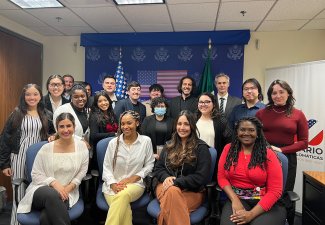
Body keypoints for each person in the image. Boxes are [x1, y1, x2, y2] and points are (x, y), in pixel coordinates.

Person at [17, 112, 89, 225]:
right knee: (52, 194)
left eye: (69, 126)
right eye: (61, 126)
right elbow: (35, 175)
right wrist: (54, 183)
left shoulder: (82, 147)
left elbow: (82, 172)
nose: (65, 130)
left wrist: (68, 188)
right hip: (41, 190)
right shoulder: (46, 148)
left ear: (74, 127)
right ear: (57, 128)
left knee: (46, 217)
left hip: (67, 192)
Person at [218, 117, 286, 225]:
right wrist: (235, 200)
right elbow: (221, 177)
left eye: (251, 130)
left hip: (265, 201)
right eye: (242, 129)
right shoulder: (228, 149)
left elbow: (275, 190)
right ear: (237, 132)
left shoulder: (268, 154)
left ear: (258, 133)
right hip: (238, 199)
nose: (246, 133)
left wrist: (251, 215)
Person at [0, 84, 50, 225]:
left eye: (35, 94)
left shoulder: (45, 113)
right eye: (28, 94)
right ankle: (16, 222)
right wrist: (4, 164)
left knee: (35, 192)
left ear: (40, 96)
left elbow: (51, 134)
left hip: (38, 157)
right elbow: (4, 139)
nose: (32, 97)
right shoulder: (16, 113)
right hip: (19, 157)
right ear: (23, 96)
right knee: (19, 193)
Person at [153, 110, 211, 225]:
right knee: (172, 192)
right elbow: (158, 169)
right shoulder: (169, 145)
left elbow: (201, 177)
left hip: (191, 191)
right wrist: (166, 178)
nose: (182, 127)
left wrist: (176, 182)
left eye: (186, 124)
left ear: (192, 126)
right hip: (165, 185)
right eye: (179, 124)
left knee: (171, 201)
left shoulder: (201, 148)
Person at [102, 110, 155, 225]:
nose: (125, 127)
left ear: (137, 123)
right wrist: (113, 184)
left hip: (135, 185)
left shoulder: (146, 141)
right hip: (112, 185)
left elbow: (150, 164)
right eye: (123, 124)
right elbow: (106, 167)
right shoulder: (113, 143)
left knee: (122, 195)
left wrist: (134, 177)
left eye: (129, 123)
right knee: (123, 209)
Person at [256, 80, 308, 192]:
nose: (278, 96)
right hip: (263, 154)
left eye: (281, 92)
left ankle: (284, 210)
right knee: (261, 190)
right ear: (270, 96)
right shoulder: (261, 113)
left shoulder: (298, 114)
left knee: (284, 191)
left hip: (287, 157)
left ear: (288, 93)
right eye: (274, 93)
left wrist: (281, 150)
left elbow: (304, 142)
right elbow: (254, 136)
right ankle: (258, 209)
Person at [196, 92, 232, 162]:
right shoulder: (193, 119)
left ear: (214, 104)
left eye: (207, 102)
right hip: (194, 159)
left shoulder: (221, 121)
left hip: (213, 160)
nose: (203, 104)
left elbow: (229, 142)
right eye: (201, 102)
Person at [89, 91, 118, 169]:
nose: (103, 103)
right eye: (100, 101)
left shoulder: (112, 114)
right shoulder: (94, 116)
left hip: (114, 149)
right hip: (101, 151)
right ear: (96, 104)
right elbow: (94, 136)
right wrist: (113, 134)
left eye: (105, 100)